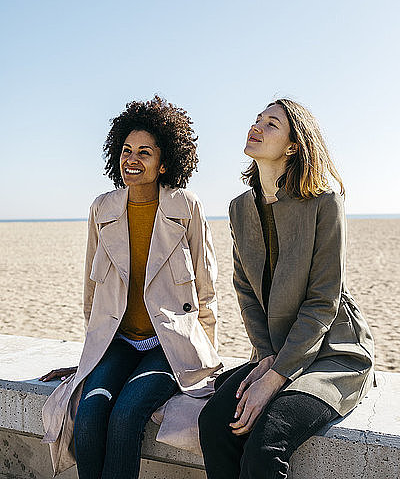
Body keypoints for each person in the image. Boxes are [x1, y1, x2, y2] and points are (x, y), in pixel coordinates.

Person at [40, 96, 222, 478]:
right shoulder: (101, 209)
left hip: (168, 345)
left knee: (126, 415)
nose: (131, 159)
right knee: (89, 414)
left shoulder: (186, 206)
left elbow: (206, 290)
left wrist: (203, 359)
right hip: (119, 342)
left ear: (164, 162)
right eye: (125, 150)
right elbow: (92, 296)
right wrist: (88, 357)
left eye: (144, 152)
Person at [198, 98, 374, 479]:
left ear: (294, 145)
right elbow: (245, 289)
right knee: (214, 424)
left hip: (331, 351)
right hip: (274, 349)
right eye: (257, 119)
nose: (256, 126)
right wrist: (264, 358)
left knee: (265, 444)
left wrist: (276, 376)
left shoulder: (325, 201)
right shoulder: (239, 208)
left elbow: (323, 300)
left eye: (271, 124)